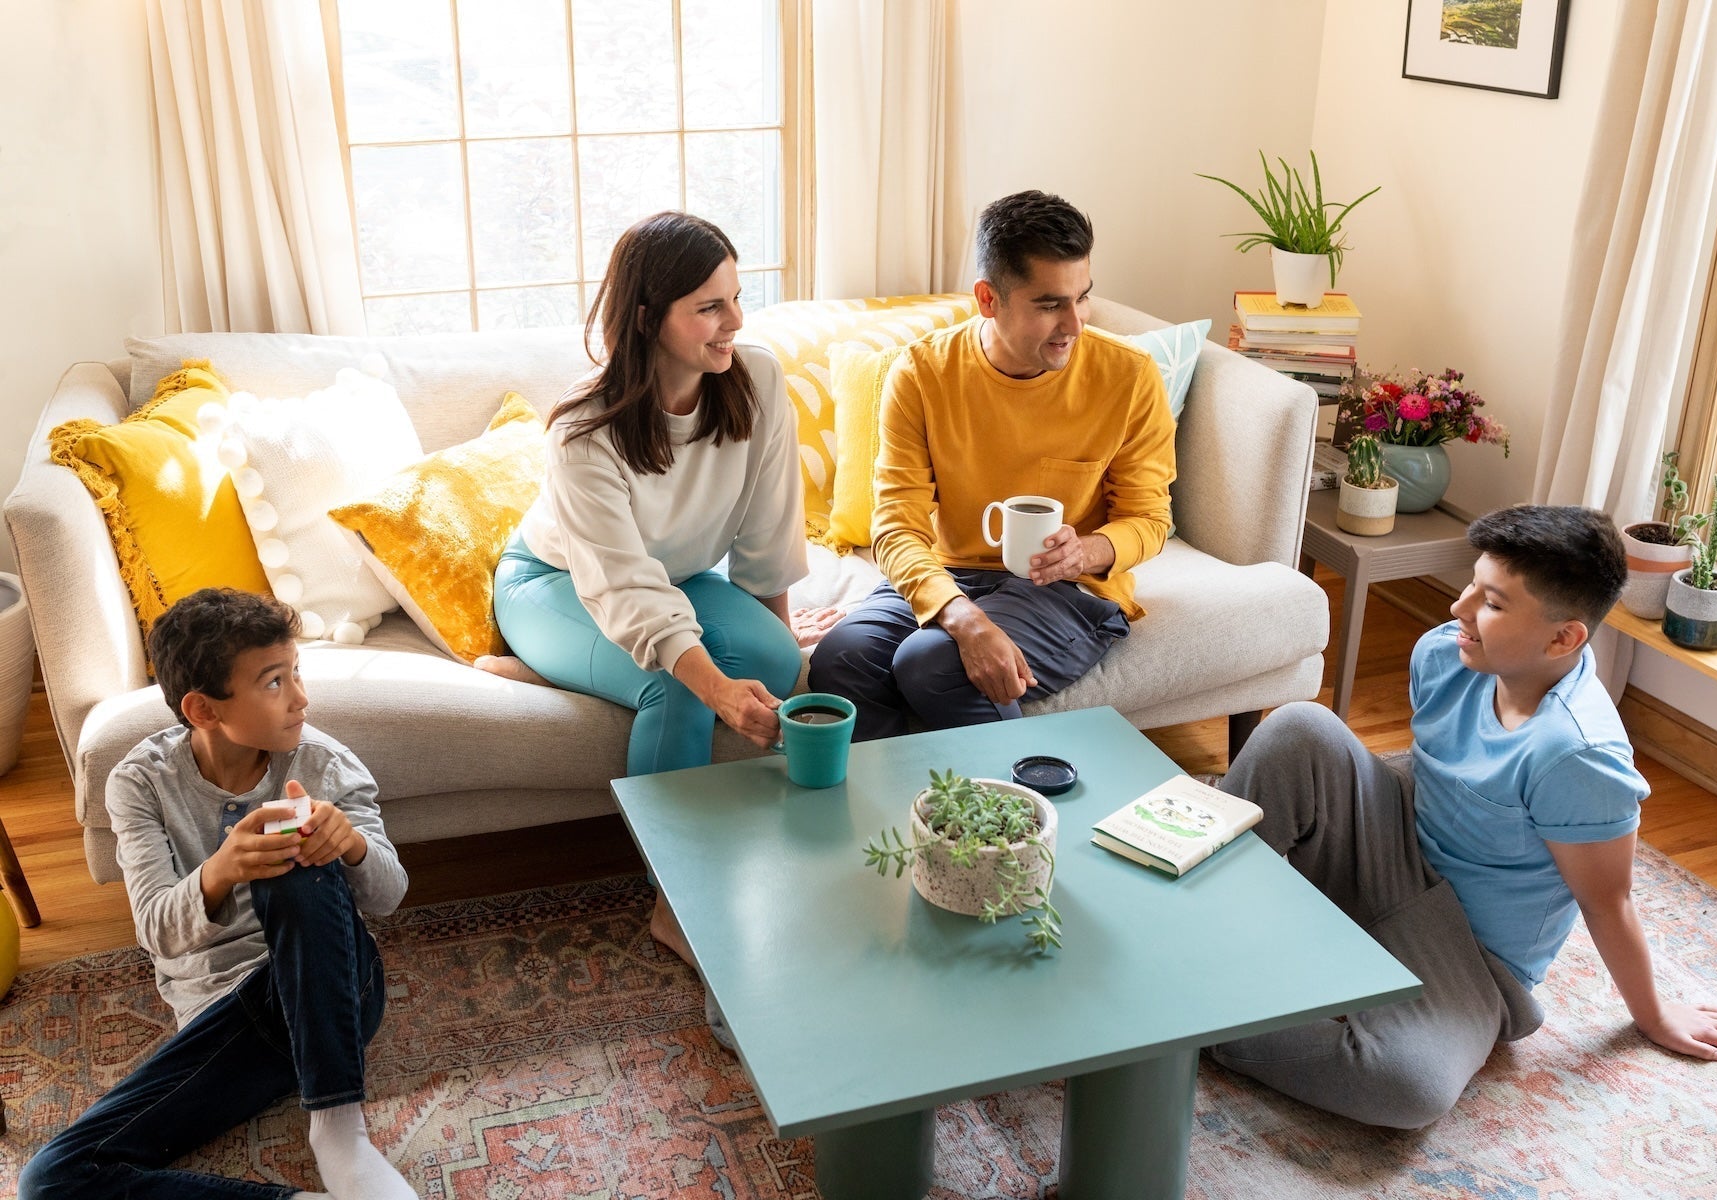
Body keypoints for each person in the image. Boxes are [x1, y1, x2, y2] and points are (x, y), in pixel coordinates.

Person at [1207, 505, 1717, 1129]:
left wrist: (1655, 1014)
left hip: (1468, 955)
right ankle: (1187, 914)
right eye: (1472, 584)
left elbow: (1610, 902)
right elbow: (1427, 769)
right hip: (1391, 856)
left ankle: (1207, 1020)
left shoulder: (1580, 758)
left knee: (1407, 1087)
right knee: (1299, 727)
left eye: (1493, 603)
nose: (1459, 609)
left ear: (1564, 638)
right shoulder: (1446, 655)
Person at [474, 211, 836, 1008]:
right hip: (557, 583)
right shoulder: (584, 427)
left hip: (670, 580)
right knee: (676, 680)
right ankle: (674, 902)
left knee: (776, 660)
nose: (734, 321)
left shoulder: (758, 379)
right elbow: (627, 590)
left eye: (736, 298)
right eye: (709, 307)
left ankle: (567, 674)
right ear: (648, 317)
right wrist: (709, 682)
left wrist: (782, 649)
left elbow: (770, 535)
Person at [20, 588, 413, 1199]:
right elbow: (156, 929)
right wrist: (221, 869)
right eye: (275, 682)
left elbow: (388, 895)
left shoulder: (326, 764)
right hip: (227, 1020)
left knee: (298, 858)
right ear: (203, 709)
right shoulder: (140, 784)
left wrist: (351, 846)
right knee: (51, 1180)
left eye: (296, 673)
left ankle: (338, 1129)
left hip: (338, 996)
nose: (302, 698)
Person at [809, 190, 1175, 738]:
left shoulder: (1128, 375)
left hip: (1070, 591)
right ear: (988, 298)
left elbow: (1150, 519)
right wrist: (961, 616)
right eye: (1050, 304)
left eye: (1083, 298)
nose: (1073, 324)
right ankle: (892, 819)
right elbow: (896, 526)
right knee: (840, 660)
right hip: (950, 573)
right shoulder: (922, 375)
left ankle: (1020, 814)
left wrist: (1087, 551)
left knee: (930, 663)